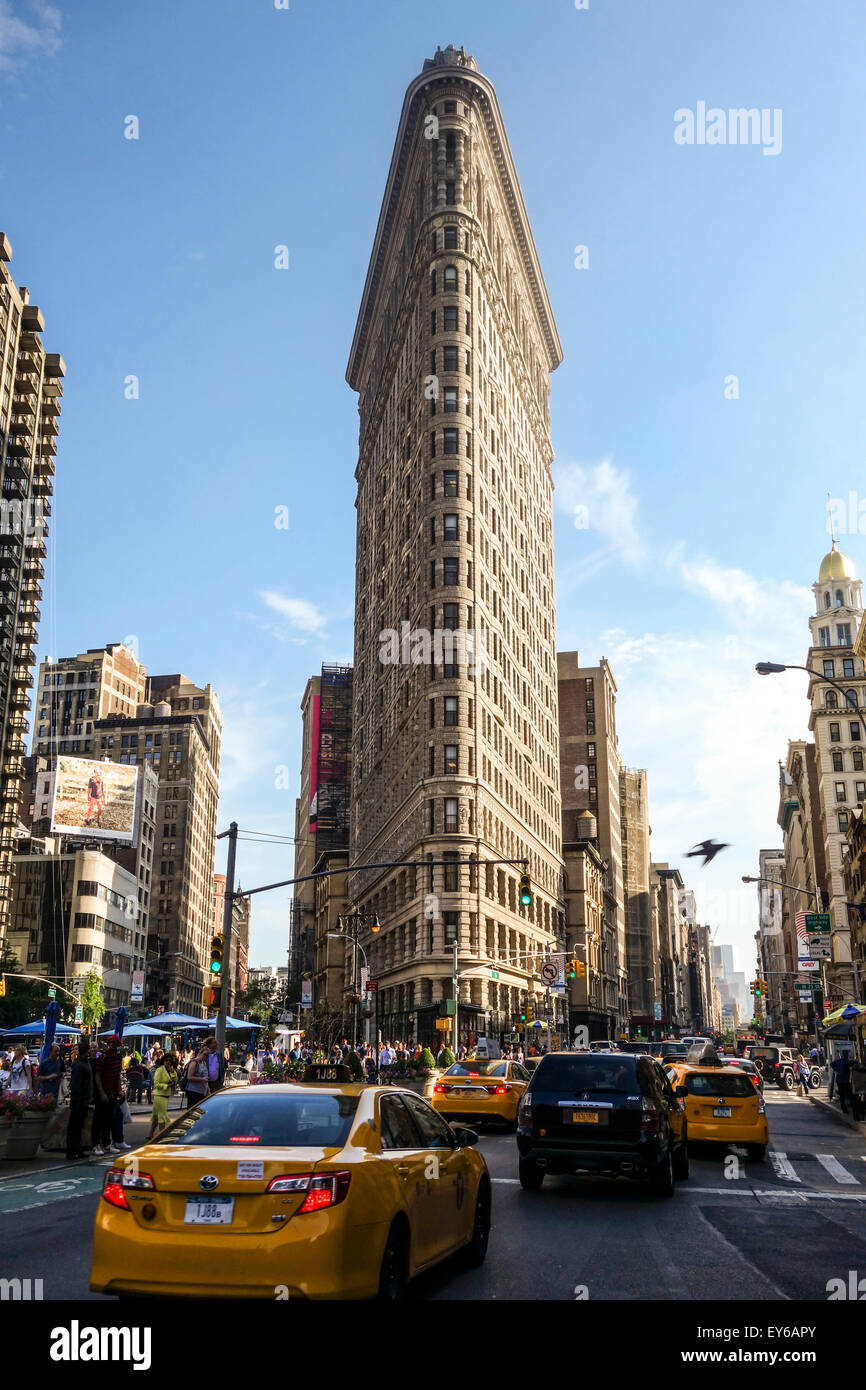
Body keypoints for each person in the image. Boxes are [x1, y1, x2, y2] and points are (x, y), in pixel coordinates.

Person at [92, 1034, 126, 1156]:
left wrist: (119, 1089)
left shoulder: (118, 1057)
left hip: (112, 1092)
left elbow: (117, 1075)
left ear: (118, 1044)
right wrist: (102, 1093)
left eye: (114, 1042)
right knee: (99, 1120)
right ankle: (95, 1144)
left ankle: (106, 1144)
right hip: (104, 1092)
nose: (111, 1044)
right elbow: (97, 1075)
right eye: (110, 1042)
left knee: (109, 1120)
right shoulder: (103, 1057)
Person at [66, 1041, 94, 1160]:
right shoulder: (79, 1065)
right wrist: (79, 1100)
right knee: (74, 1126)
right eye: (88, 1051)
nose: (90, 1053)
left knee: (78, 1126)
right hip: (79, 1100)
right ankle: (72, 1150)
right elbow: (75, 1085)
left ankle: (77, 1148)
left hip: (83, 1099)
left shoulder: (84, 1063)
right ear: (85, 1052)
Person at [147, 1050, 179, 1140]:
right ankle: (162, 1135)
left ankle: (150, 1134)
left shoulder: (171, 1070)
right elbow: (156, 1084)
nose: (168, 1062)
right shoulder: (159, 1070)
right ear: (163, 1061)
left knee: (156, 1116)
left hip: (166, 1095)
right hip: (159, 1095)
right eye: (166, 1060)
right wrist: (167, 1086)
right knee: (162, 1115)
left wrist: (172, 1072)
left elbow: (175, 1080)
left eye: (170, 1061)